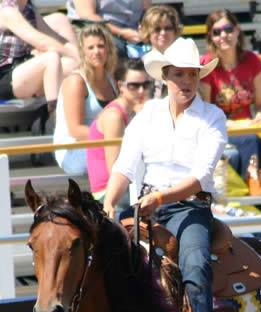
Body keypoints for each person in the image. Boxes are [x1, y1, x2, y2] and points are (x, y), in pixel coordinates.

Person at [103, 38, 227, 312]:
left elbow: (200, 176)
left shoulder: (213, 117)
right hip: (146, 204)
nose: (186, 81)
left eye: (191, 74)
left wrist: (160, 197)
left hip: (189, 207)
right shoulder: (146, 116)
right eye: (179, 75)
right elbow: (124, 166)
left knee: (195, 261)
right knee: (98, 255)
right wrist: (109, 202)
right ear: (165, 77)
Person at [199, 9, 261, 181]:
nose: (223, 35)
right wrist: (232, 124)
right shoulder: (207, 64)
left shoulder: (252, 60)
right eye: (217, 32)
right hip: (220, 129)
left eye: (228, 29)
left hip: (249, 127)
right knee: (250, 140)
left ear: (237, 30)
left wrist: (259, 117)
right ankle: (250, 193)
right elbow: (205, 110)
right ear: (211, 37)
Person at [0, 0, 79, 111]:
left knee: (72, 65)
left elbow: (56, 38)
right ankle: (54, 113)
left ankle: (74, 109)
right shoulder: (7, 11)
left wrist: (81, 55)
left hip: (18, 68)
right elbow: (42, 43)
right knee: (51, 58)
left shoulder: (28, 10)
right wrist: (76, 56)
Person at [54, 24, 117, 176]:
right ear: (83, 52)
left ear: (108, 49)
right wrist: (112, 137)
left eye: (101, 46)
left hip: (106, 143)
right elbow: (75, 130)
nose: (97, 51)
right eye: (90, 47)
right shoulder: (76, 81)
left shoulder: (111, 78)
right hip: (73, 151)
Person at [86, 58, 150, 201]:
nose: (141, 91)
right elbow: (114, 169)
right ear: (121, 86)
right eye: (134, 86)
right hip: (108, 193)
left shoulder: (133, 112)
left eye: (146, 85)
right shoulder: (114, 116)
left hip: (124, 187)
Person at [0, 0, 76, 66]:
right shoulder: (5, 11)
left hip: (12, 34)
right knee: (53, 57)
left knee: (59, 20)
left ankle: (79, 74)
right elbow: (6, 20)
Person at [66, 0, 150, 59]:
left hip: (135, 32)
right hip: (98, 29)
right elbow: (88, 16)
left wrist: (147, 31)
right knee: (115, 49)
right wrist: (122, 33)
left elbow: (146, 12)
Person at [139, 4, 181, 97]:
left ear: (175, 31)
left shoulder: (184, 61)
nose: (163, 33)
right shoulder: (140, 64)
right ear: (148, 32)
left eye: (168, 28)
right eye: (157, 29)